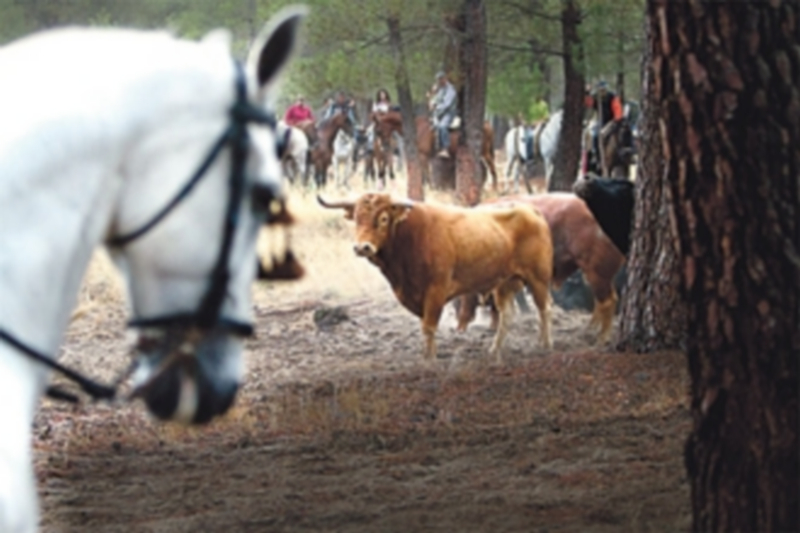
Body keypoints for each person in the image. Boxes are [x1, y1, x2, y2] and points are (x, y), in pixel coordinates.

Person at [585, 80, 624, 169]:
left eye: (603, 90)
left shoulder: (612, 98)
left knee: (601, 134)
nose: (602, 92)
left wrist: (614, 122)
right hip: (600, 122)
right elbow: (588, 103)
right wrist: (587, 92)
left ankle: (601, 159)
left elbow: (618, 115)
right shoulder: (596, 99)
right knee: (591, 135)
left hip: (612, 122)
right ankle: (595, 156)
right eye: (600, 90)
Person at [430, 71, 457, 158]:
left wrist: (436, 107)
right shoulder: (440, 89)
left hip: (449, 112)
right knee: (432, 126)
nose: (439, 81)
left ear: (445, 79)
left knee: (442, 126)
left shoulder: (451, 90)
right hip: (439, 113)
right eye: (438, 79)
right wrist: (433, 101)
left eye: (441, 79)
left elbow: (447, 104)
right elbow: (436, 99)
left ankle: (445, 148)